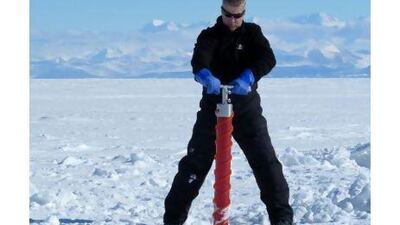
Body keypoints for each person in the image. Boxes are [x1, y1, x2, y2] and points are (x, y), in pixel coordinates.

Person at [163, 0, 293, 224]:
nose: (233, 20)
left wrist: (250, 75)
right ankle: (172, 220)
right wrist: (204, 75)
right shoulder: (210, 36)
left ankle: (282, 219)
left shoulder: (253, 34)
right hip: (212, 109)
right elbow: (199, 59)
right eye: (228, 15)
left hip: (246, 109)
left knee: (267, 164)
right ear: (221, 11)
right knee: (193, 167)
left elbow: (267, 58)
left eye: (238, 15)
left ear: (244, 12)